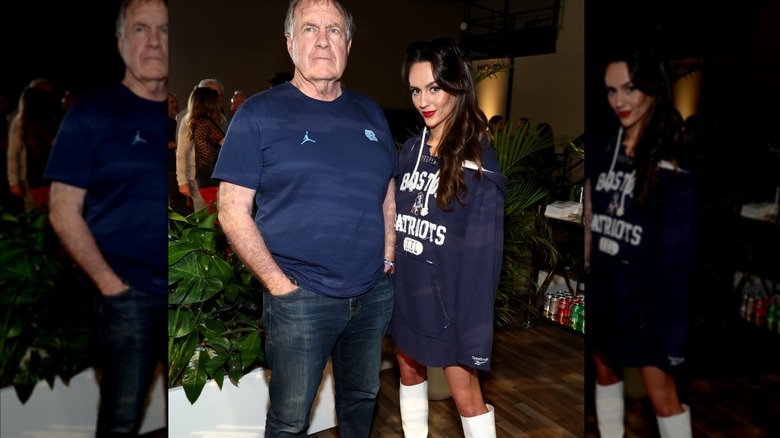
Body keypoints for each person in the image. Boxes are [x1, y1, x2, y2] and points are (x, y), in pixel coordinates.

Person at [212, 0, 398, 435]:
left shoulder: (371, 112)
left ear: (348, 44)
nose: (322, 40)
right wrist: (280, 287)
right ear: (291, 42)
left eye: (334, 30)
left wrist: (388, 259)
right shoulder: (258, 113)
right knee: (290, 418)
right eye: (309, 28)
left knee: (362, 399)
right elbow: (231, 211)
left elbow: (387, 192)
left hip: (372, 294)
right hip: (300, 299)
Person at [42, 0, 168, 435]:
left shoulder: (180, 117)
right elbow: (62, 209)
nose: (154, 41)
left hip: (186, 295)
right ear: (120, 41)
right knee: (120, 419)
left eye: (165, 30)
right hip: (127, 298)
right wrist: (112, 287)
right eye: (140, 29)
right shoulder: (91, 114)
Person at [387, 36, 507, 438]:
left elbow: (483, 258)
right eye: (417, 90)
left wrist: (472, 328)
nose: (425, 100)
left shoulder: (478, 160)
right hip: (408, 291)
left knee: (465, 392)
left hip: (451, 301)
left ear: (458, 86)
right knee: (407, 371)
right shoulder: (410, 150)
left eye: (434, 88)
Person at [584, 44, 700, 438]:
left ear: (652, 88)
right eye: (612, 91)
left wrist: (672, 324)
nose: (620, 101)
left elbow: (680, 253)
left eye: (630, 89)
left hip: (650, 297)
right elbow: (594, 216)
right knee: (603, 369)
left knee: (659, 391)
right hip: (606, 287)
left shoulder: (674, 161)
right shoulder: (604, 151)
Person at [6, 85, 59, 212]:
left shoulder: (50, 121)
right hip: (31, 178)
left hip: (50, 176)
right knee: (36, 214)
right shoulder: (21, 123)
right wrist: (13, 180)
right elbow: (13, 154)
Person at [176, 78, 224, 212]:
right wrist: (182, 181)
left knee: (210, 219)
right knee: (207, 218)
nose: (219, 99)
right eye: (215, 95)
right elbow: (181, 152)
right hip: (199, 176)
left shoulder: (217, 118)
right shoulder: (193, 120)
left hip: (210, 176)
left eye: (220, 95)